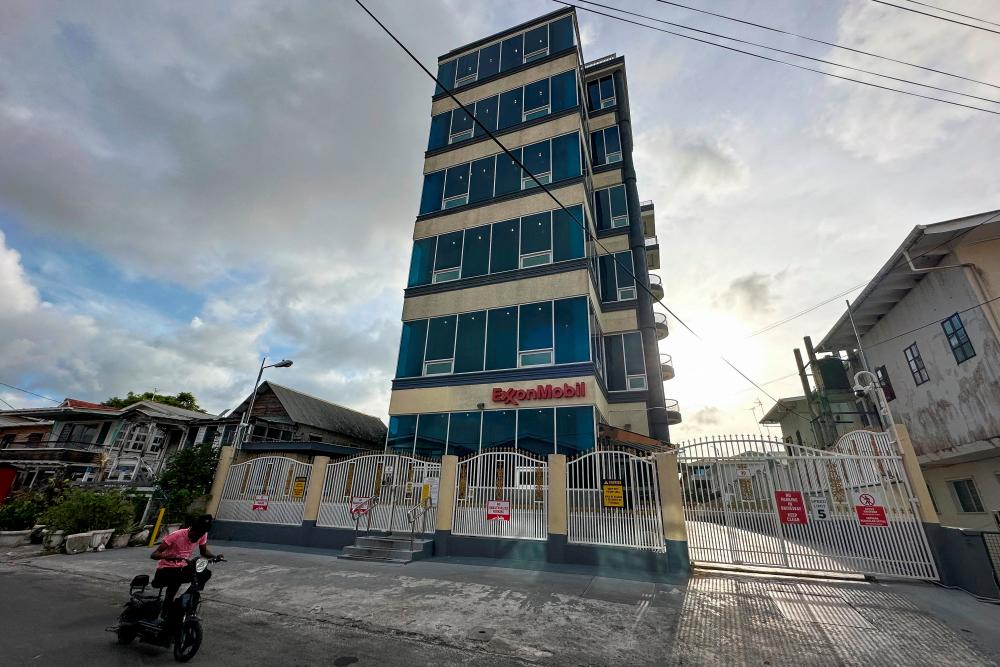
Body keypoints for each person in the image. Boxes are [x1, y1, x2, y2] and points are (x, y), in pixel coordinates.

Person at [149, 514, 222, 622]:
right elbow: (154, 554)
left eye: (200, 535)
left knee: (204, 573)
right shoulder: (176, 535)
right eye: (195, 535)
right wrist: (169, 557)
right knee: (176, 581)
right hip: (165, 569)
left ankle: (185, 602)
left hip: (182, 567)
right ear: (191, 529)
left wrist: (215, 557)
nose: (196, 538)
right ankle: (165, 612)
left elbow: (204, 552)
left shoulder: (202, 534)